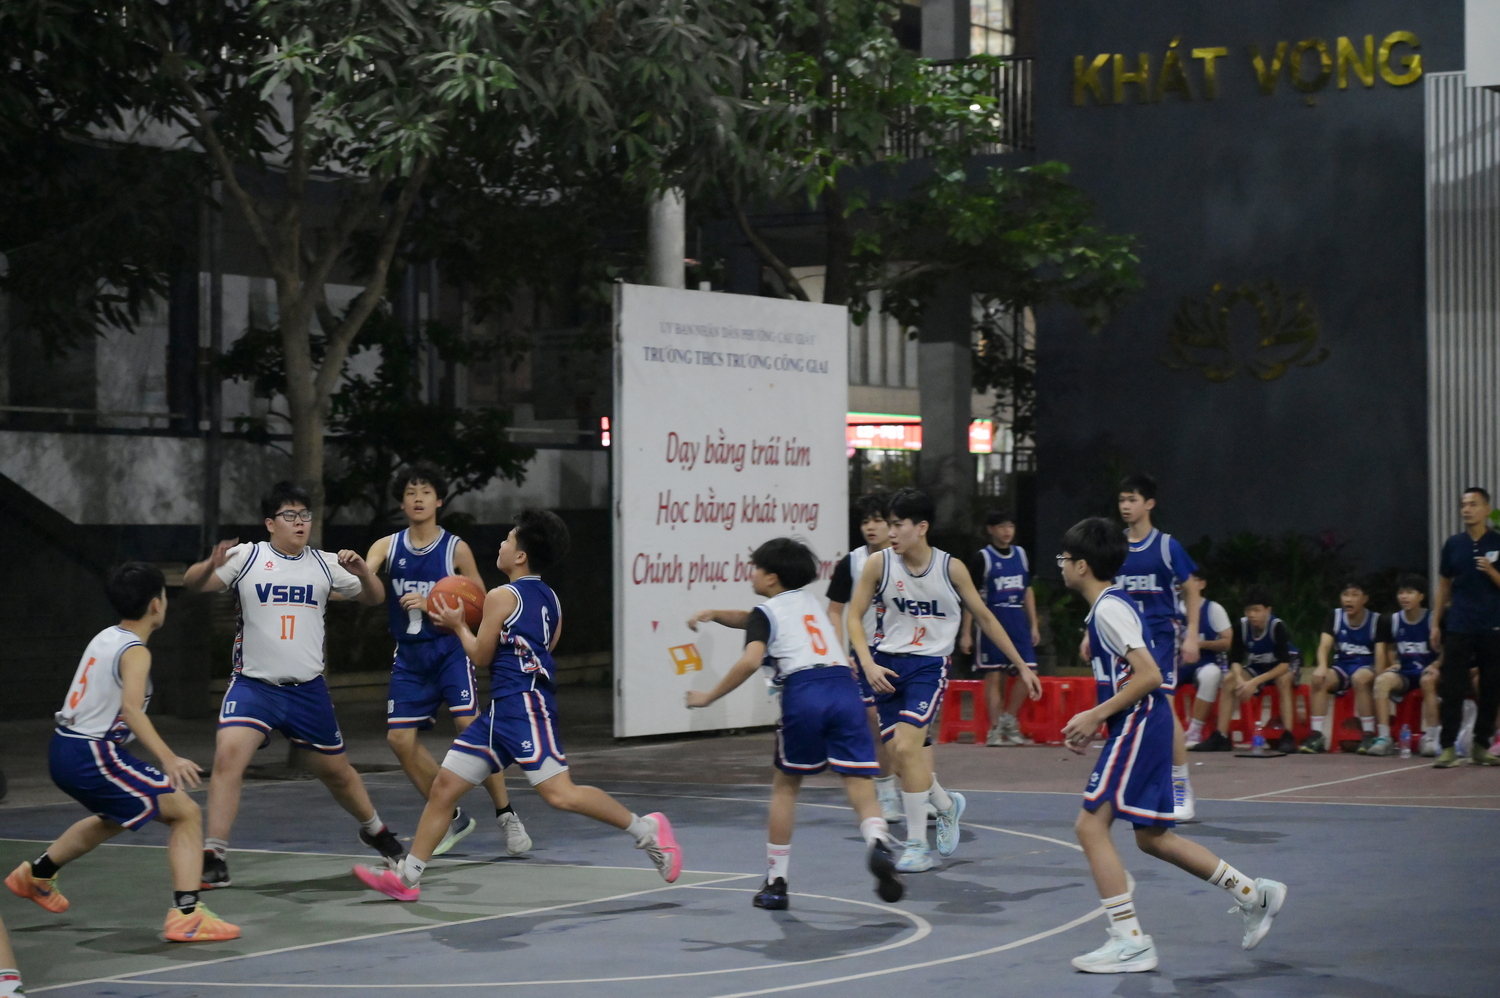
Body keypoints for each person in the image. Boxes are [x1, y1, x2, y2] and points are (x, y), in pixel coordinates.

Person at [354, 510, 683, 900]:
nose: (501, 544)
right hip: (504, 711)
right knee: (444, 787)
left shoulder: (500, 596)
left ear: (521, 555)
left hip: (525, 708)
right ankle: (407, 878)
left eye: (508, 539)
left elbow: (480, 656)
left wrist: (457, 625)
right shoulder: (551, 599)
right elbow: (547, 646)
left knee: (560, 794)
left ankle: (648, 830)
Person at [1059, 517, 1287, 974]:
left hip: (1139, 722)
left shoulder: (1108, 609)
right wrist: (1101, 718)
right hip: (1142, 723)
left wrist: (1097, 714)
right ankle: (1252, 894)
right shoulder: (1109, 604)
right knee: (1153, 838)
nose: (1060, 564)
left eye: (1064, 558)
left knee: (1090, 827)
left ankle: (1130, 941)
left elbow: (1149, 675)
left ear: (1082, 566)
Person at [183, 482, 404, 888]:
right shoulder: (247, 557)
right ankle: (215, 855)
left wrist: (363, 572)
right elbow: (194, 583)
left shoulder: (324, 563)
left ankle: (375, 830)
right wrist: (208, 563)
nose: (300, 522)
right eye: (290, 515)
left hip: (307, 690)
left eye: (305, 515)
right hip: (255, 687)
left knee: (337, 773)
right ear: (270, 523)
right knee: (229, 757)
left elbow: (374, 597)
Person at [7, 563, 239, 942]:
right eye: (163, 595)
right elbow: (131, 710)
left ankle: (37, 875)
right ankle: (187, 915)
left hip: (64, 749)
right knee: (185, 813)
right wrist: (168, 757)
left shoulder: (106, 637)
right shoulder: (135, 652)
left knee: (118, 816)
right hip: (91, 753)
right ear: (156, 604)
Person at [684, 537, 904, 910]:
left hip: (805, 692)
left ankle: (776, 882)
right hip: (844, 689)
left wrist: (709, 697)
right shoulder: (810, 605)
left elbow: (751, 657)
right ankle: (878, 841)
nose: (751, 575)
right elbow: (752, 620)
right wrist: (716, 614)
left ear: (770, 577)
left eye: (755, 569)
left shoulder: (765, 613)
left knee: (785, 787)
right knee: (859, 784)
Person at [846, 488, 1041, 873]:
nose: (890, 533)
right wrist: (866, 663)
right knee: (900, 759)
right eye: (888, 525)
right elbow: (854, 616)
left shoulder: (951, 569)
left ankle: (917, 845)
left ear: (921, 527)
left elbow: (985, 617)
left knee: (907, 748)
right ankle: (946, 804)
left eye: (898, 525)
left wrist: (1021, 665)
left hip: (928, 666)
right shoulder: (878, 564)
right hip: (886, 665)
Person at [365, 463, 531, 857]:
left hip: (449, 652)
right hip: (409, 655)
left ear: (439, 500)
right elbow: (360, 586)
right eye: (410, 492)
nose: (418, 498)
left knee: (469, 726)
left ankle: (506, 813)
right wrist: (340, 577)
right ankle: (452, 815)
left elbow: (482, 601)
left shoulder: (455, 548)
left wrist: (434, 603)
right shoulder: (386, 547)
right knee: (398, 740)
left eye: (425, 492)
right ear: (401, 502)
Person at [1114, 474, 1200, 821]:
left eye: (1132, 500)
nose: (1125, 506)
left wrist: (1192, 634)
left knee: (1163, 705)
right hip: (1125, 639)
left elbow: (1191, 589)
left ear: (1149, 504)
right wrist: (1090, 631)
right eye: (1122, 500)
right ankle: (1140, 782)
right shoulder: (1115, 546)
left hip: (1161, 637)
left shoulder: (1167, 546)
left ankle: (1180, 786)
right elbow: (1104, 590)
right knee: (1130, 708)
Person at [826, 494, 901, 821]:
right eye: (865, 521)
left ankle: (924, 790)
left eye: (877, 520)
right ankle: (887, 792)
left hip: (905, 651)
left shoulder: (907, 559)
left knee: (912, 731)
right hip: (865, 653)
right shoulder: (852, 563)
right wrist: (841, 653)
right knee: (877, 723)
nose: (870, 527)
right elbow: (834, 611)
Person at [958, 510, 1041, 747]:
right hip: (991, 620)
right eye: (1002, 526)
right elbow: (971, 598)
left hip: (1017, 619)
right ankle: (995, 730)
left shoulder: (1021, 555)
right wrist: (966, 632)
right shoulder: (982, 558)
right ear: (991, 529)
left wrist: (1034, 624)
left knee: (1030, 671)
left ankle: (1008, 719)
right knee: (993, 675)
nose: (1007, 531)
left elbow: (1027, 590)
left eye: (1010, 526)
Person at [1431, 486, 1500, 767]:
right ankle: (1447, 746)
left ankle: (1481, 745)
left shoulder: (1497, 542)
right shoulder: (1454, 544)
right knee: (1452, 687)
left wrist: (1492, 572)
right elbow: (1444, 586)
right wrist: (1436, 624)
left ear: (1486, 509)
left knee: (1491, 686)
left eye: (1473, 504)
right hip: (1459, 624)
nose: (1467, 510)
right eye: (1463, 505)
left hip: (1493, 626)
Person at [1191, 586, 1300, 754]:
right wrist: (1241, 680)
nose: (1252, 615)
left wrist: (1254, 682)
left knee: (1283, 680)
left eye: (1256, 610)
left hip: (1282, 666)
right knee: (1229, 680)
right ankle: (1221, 736)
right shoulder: (1241, 626)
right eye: (1248, 610)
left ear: (1268, 610)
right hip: (1257, 667)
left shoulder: (1277, 627)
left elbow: (1284, 664)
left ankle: (1288, 735)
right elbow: (1235, 660)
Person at [1300, 579, 1391, 754]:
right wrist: (1321, 666)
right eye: (1345, 595)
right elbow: (1324, 646)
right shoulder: (1334, 617)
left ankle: (1369, 733)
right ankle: (1317, 734)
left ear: (1365, 599)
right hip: (1343, 666)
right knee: (1319, 679)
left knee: (1359, 678)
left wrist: (1379, 677)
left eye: (1355, 595)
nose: (1349, 599)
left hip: (1367, 667)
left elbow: (1381, 654)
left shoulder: (1377, 620)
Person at [1367, 575, 1438, 756]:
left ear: (1421, 596)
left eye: (1409, 592)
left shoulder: (1433, 620)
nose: (1404, 597)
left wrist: (1437, 665)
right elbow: (1389, 648)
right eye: (1401, 592)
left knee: (1428, 681)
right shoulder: (1391, 621)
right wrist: (1393, 664)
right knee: (1382, 681)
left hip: (1430, 671)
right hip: (1406, 673)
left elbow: (1447, 649)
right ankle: (1384, 737)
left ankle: (1431, 737)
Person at [1178, 572, 1233, 749]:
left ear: (1202, 584)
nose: (1185, 584)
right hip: (1175, 664)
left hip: (1204, 664)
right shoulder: (1170, 608)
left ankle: (1194, 731)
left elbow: (1227, 642)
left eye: (1191, 581)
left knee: (1212, 675)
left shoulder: (1213, 609)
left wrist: (1200, 644)